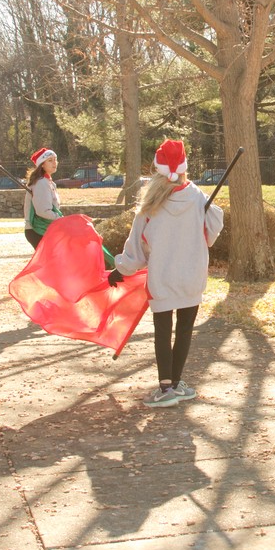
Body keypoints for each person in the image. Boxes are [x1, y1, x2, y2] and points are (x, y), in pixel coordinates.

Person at [108, 140, 225, 408]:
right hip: (192, 276)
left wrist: (121, 269)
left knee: (163, 330)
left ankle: (166, 386)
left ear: (157, 169)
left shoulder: (150, 205)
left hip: (163, 277)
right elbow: (211, 233)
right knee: (184, 330)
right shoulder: (197, 197)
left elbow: (136, 249)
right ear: (185, 167)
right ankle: (176, 383)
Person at [23, 148, 62, 250]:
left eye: (55, 159)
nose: (54, 163)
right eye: (50, 160)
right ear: (42, 165)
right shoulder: (41, 183)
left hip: (46, 229)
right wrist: (60, 219)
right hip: (38, 230)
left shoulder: (49, 183)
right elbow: (43, 211)